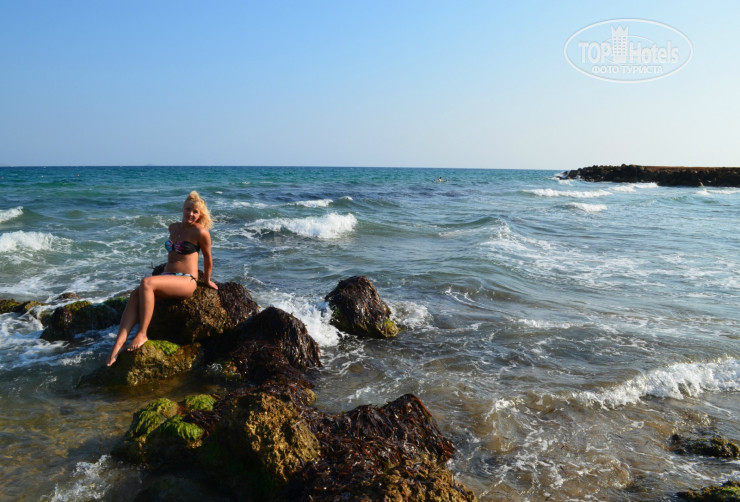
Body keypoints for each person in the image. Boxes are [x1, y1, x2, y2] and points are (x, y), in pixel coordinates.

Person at [106, 191, 218, 366]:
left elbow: (208, 259)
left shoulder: (200, 232)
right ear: (183, 209)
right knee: (135, 295)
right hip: (167, 277)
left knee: (146, 282)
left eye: (195, 212)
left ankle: (142, 333)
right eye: (188, 209)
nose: (191, 214)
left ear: (200, 215)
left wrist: (207, 280)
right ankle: (117, 347)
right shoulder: (173, 227)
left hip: (186, 280)